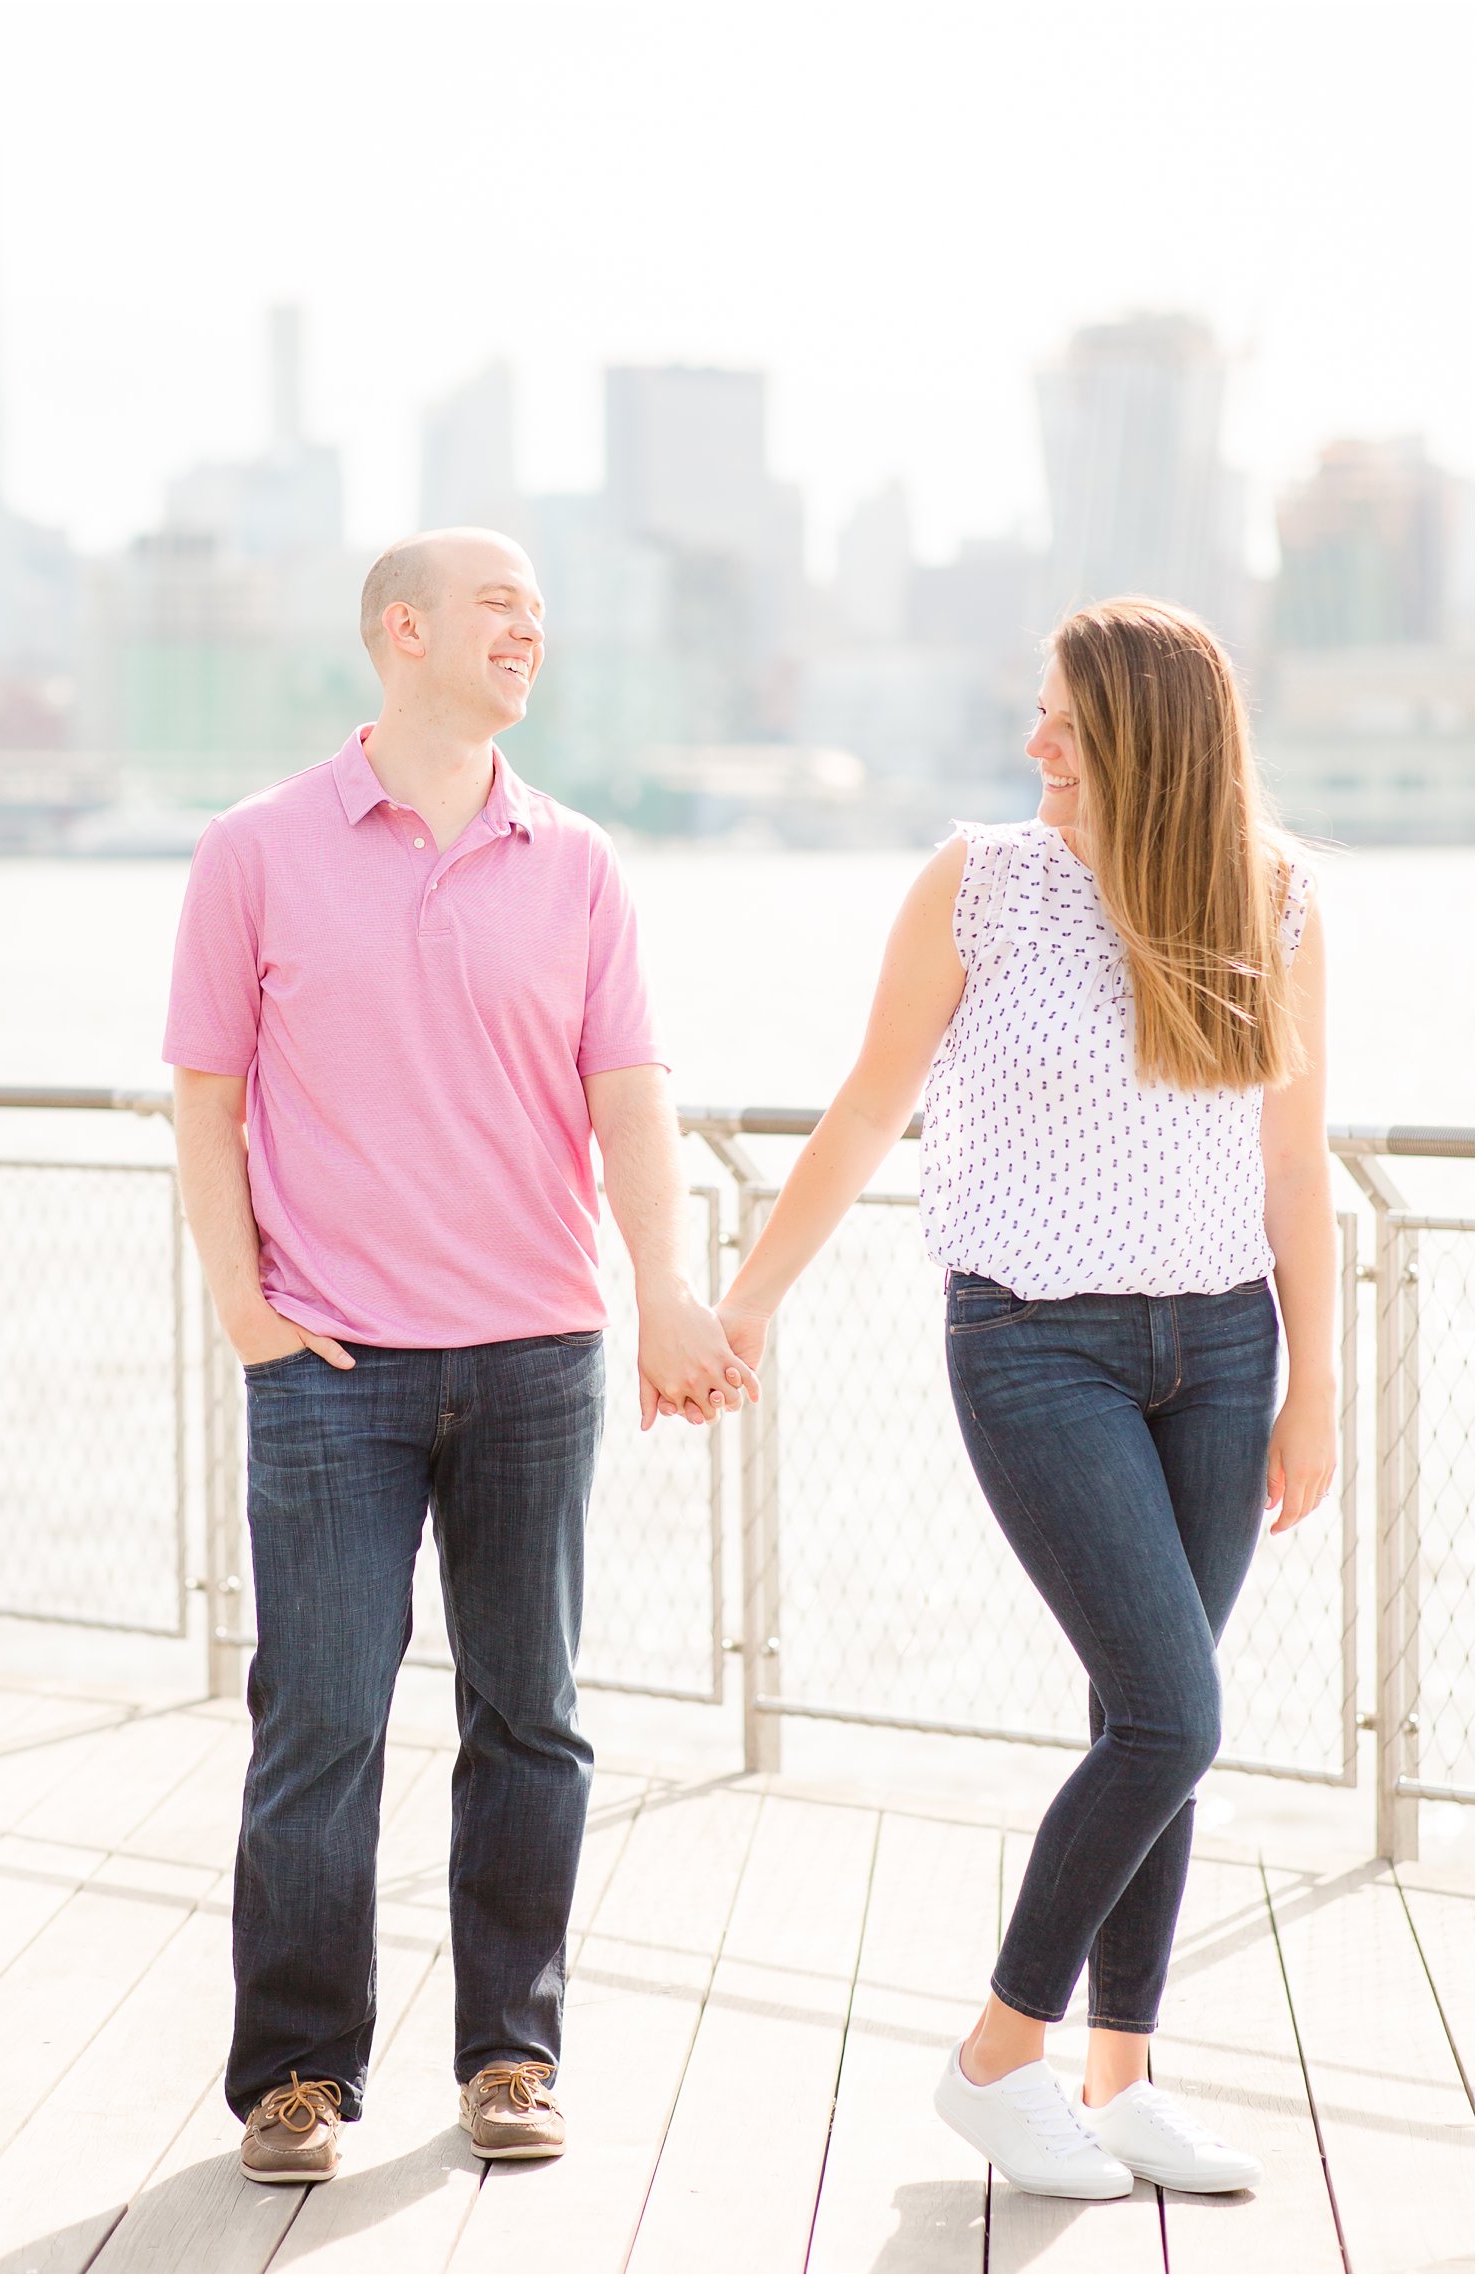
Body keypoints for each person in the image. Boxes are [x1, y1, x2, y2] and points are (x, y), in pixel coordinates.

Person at [714, 597, 1335, 2200]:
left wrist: (1315, 1385)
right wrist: (749, 1299)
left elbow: (1288, 1161)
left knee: (1153, 1724)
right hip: (1033, 1343)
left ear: (1152, 733)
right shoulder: (979, 881)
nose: (1034, 742)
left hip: (1223, 1352)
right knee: (1173, 1711)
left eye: (1065, 718)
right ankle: (999, 2058)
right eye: (1036, 714)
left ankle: (1121, 2079)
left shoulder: (1274, 896)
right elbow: (869, 1107)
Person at [164, 526, 756, 2185]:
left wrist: (663, 1288)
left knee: (534, 1718)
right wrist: (242, 1299)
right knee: (322, 1721)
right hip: (329, 1371)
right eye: (501, 606)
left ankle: (513, 2047)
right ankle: (295, 2074)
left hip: (534, 1360)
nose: (531, 634)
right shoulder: (256, 849)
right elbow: (206, 1096)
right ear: (401, 630)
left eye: (543, 615)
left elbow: (627, 1096)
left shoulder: (577, 861)